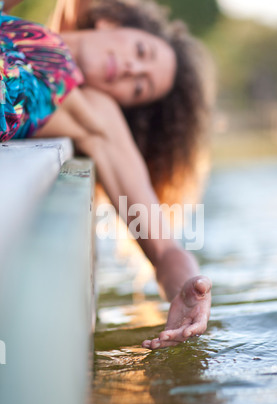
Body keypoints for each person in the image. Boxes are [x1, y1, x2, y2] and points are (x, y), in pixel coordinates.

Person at [0, 0, 214, 349]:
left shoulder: (93, 115)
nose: (132, 69)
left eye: (140, 87)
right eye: (141, 51)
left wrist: (190, 285)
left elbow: (164, 250)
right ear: (110, 22)